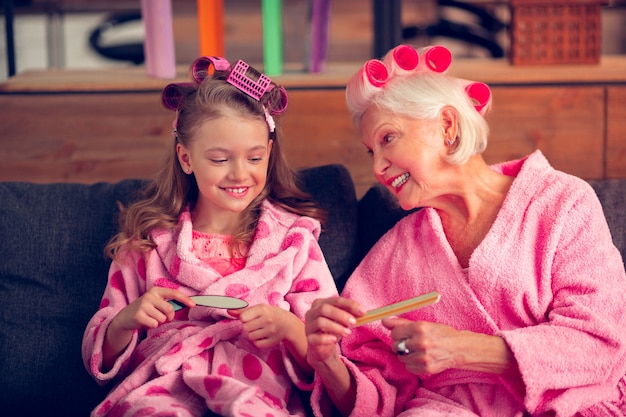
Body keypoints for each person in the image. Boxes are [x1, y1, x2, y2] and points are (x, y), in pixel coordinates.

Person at [304, 44, 626, 417]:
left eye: (388, 139)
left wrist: (463, 349)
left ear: (447, 126)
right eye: (370, 152)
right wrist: (328, 360)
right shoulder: (397, 251)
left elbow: (599, 344)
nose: (378, 167)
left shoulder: (561, 203)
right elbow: (377, 395)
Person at [82, 56, 338, 417]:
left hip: (256, 394)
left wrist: (291, 329)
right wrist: (128, 318)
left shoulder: (294, 243)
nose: (240, 174)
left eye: (255, 158)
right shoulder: (147, 244)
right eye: (220, 159)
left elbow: (331, 354)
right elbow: (100, 354)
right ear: (186, 159)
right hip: (164, 389)